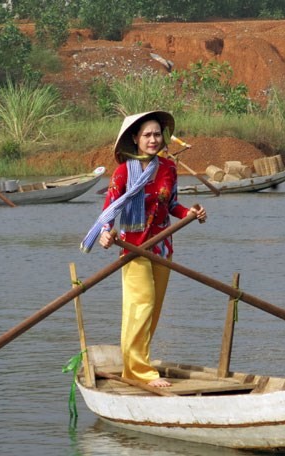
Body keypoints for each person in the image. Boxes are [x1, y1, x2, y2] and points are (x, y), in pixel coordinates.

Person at [80, 111, 207, 388]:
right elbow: (110, 208)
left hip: (162, 246)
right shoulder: (124, 171)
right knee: (141, 304)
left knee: (154, 308)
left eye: (157, 134)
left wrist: (191, 212)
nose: (153, 139)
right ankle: (140, 371)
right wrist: (105, 233)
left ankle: (134, 364)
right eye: (147, 135)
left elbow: (173, 205)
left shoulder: (168, 169)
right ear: (135, 139)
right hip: (134, 247)